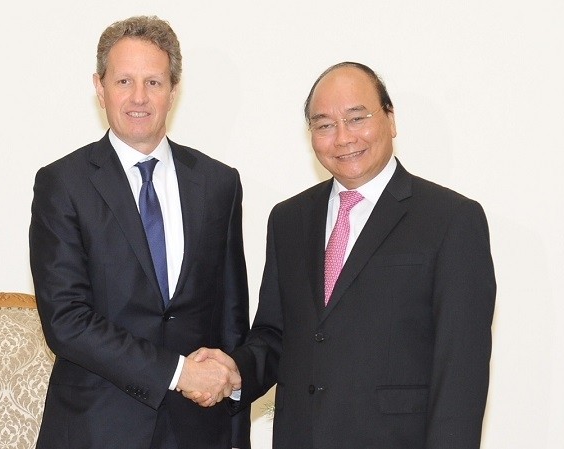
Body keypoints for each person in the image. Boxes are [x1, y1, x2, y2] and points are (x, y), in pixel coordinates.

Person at [191, 62, 496, 448]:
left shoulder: (451, 220)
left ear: (390, 118)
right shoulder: (289, 219)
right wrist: (235, 371)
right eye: (324, 125)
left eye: (356, 118)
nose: (342, 137)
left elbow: (461, 372)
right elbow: (275, 335)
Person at [29, 15, 250, 449]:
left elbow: (231, 321)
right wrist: (178, 372)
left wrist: (235, 431)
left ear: (173, 89)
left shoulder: (219, 183)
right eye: (124, 81)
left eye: (154, 82)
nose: (138, 97)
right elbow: (66, 320)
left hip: (198, 431)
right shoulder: (63, 183)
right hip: (95, 430)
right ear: (100, 87)